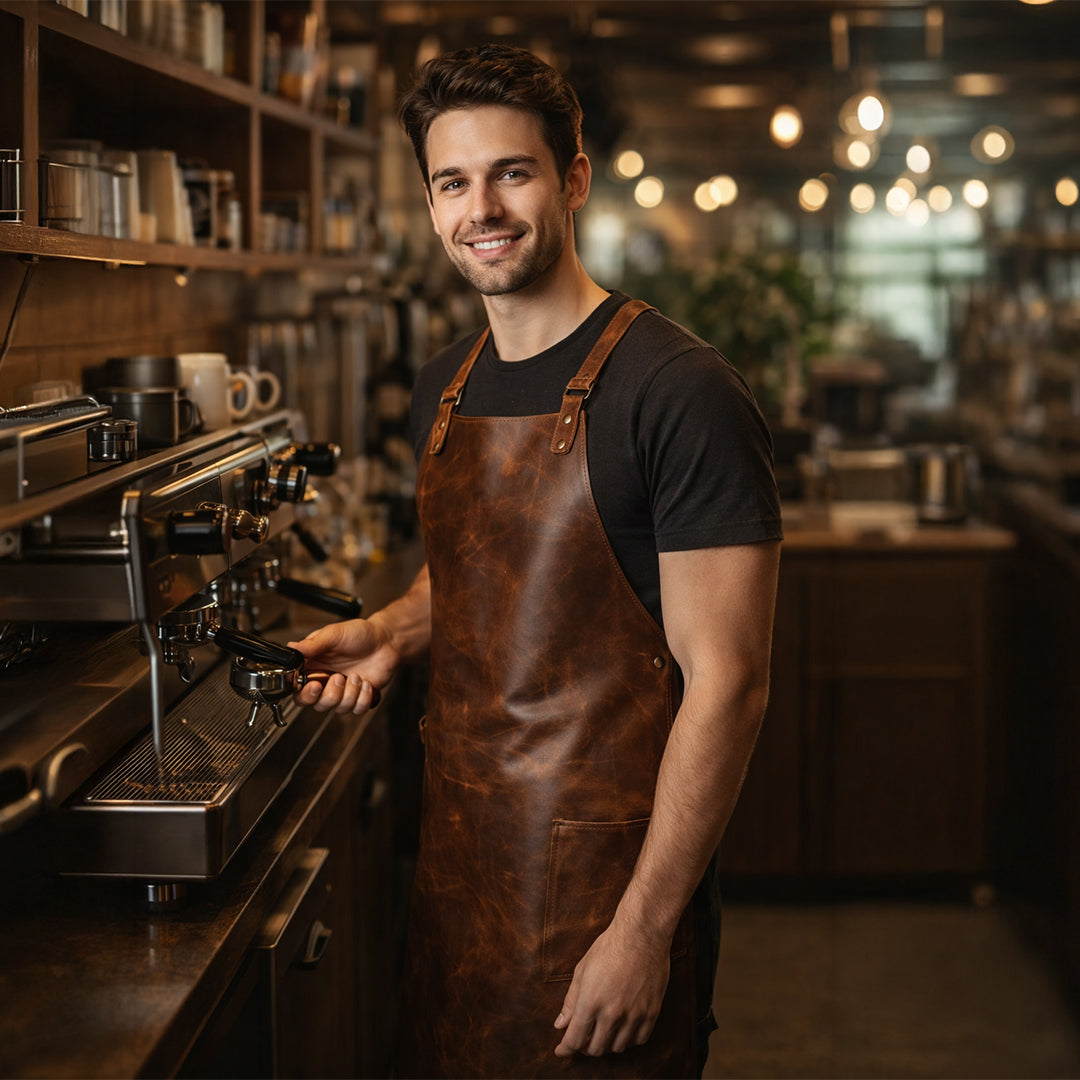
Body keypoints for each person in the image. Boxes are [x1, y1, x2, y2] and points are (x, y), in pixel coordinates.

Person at [290, 43, 782, 1079]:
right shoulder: (447, 387)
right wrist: (390, 632)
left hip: (605, 903)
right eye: (453, 182)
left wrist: (644, 933)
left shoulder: (678, 391)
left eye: (512, 172)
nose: (484, 208)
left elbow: (729, 686)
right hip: (462, 880)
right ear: (431, 207)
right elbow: (494, 580)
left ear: (572, 179)